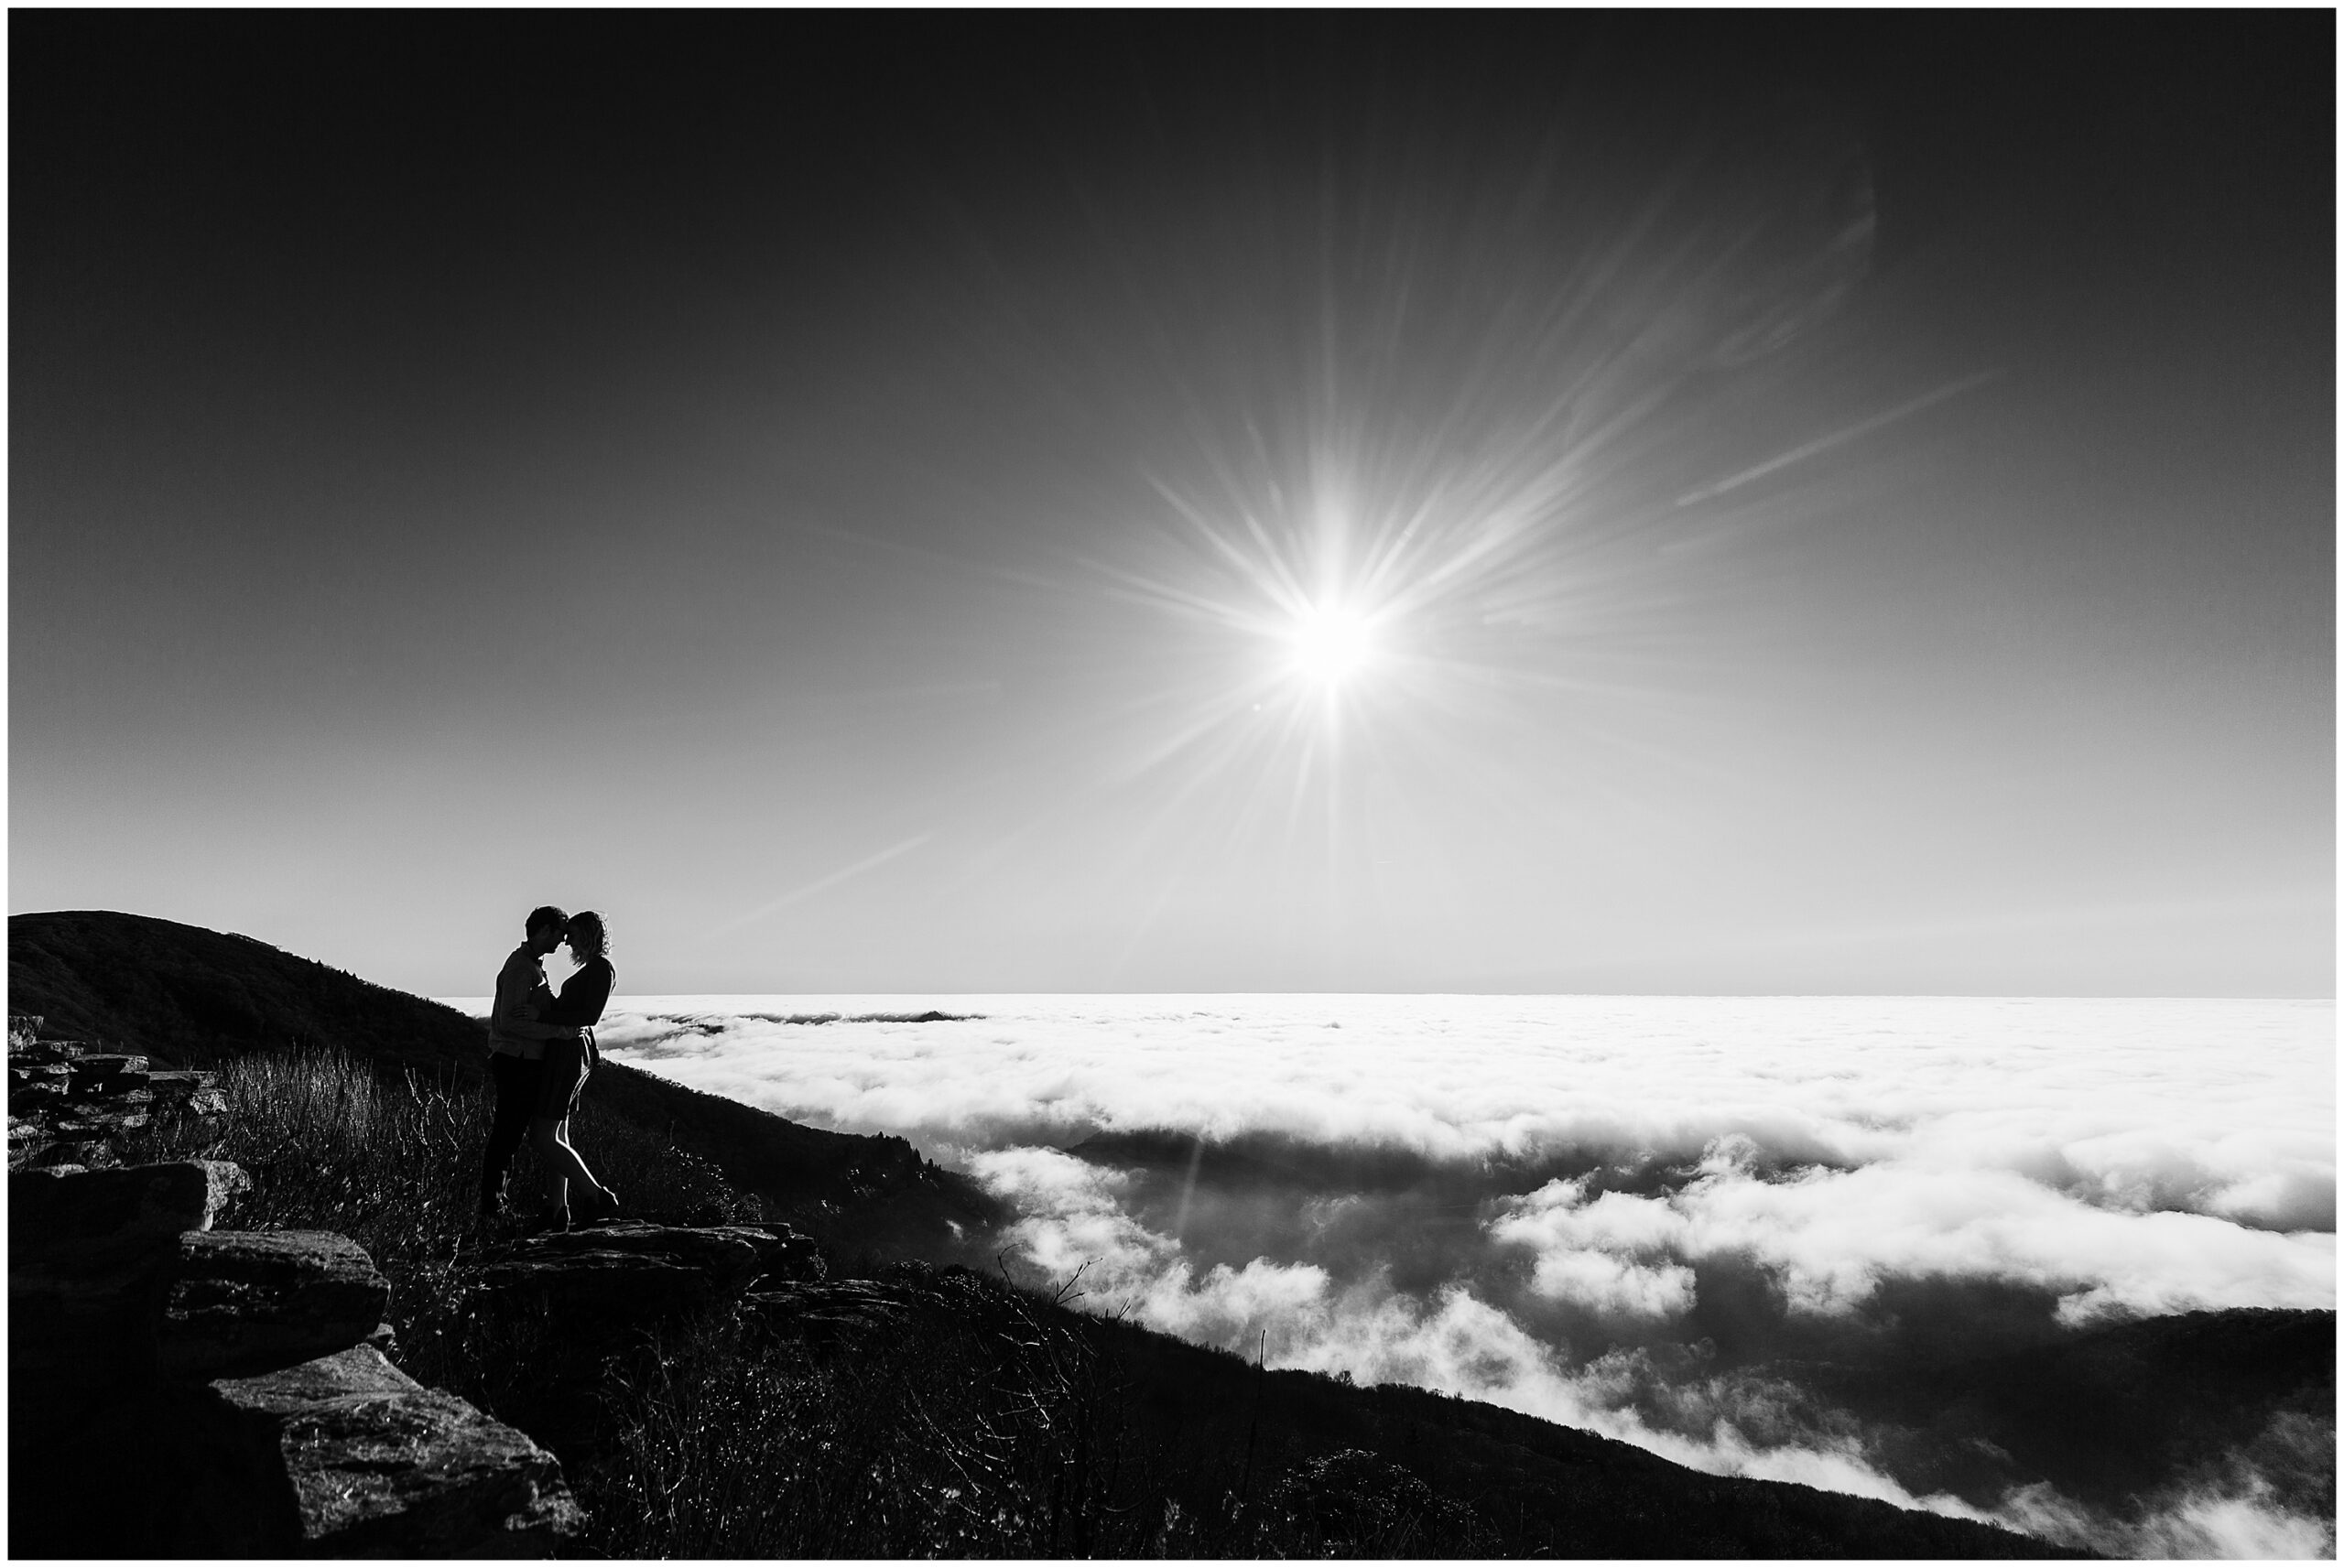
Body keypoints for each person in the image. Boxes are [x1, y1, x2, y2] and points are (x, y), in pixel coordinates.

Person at [480, 903, 578, 1224]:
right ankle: (493, 1210)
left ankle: (497, 1206)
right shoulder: (522, 969)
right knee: (507, 1135)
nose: (563, 942)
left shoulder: (530, 965)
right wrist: (559, 1030)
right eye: (560, 934)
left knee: (510, 1135)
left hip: (519, 1060)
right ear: (545, 930)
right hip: (516, 1061)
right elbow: (510, 1022)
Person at [531, 910, 620, 1227]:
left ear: (587, 934)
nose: (567, 940)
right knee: (558, 1134)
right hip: (571, 1051)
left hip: (569, 1053)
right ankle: (558, 1210)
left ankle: (596, 1196)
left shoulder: (600, 969)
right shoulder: (597, 968)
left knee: (542, 1136)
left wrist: (540, 1015)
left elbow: (589, 1015)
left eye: (572, 934)